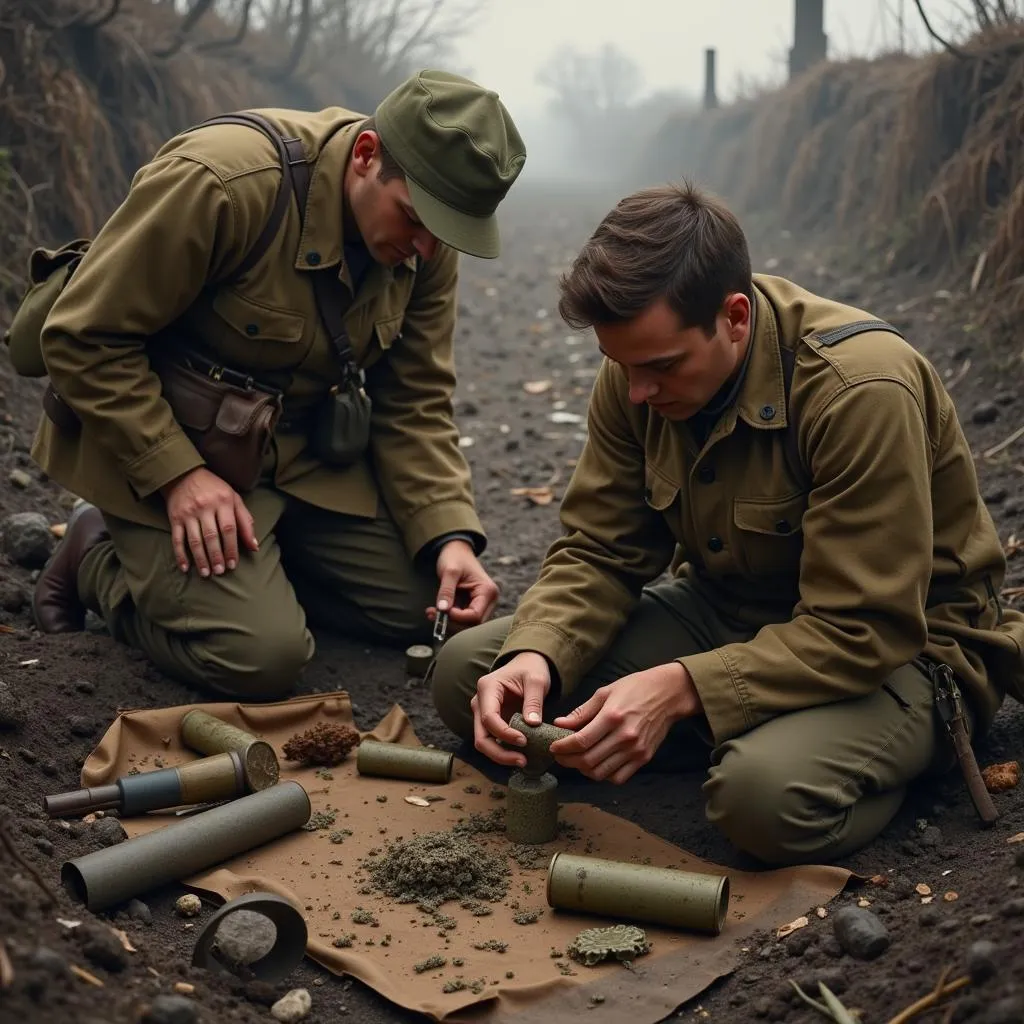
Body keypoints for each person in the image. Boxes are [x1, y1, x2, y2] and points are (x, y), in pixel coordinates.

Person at [431, 181, 1024, 867]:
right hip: (726, 612)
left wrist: (684, 687)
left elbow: (866, 627)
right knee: (472, 676)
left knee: (761, 801)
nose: (639, 393)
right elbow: (600, 549)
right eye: (619, 366)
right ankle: (732, 727)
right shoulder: (636, 371)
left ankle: (887, 751)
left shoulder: (859, 390)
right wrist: (538, 651)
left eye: (661, 366)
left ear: (735, 317)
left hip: (900, 649)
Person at [30, 69, 527, 699]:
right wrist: (177, 474)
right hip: (170, 443)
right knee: (261, 660)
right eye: (415, 220)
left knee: (430, 611)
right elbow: (82, 336)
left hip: (302, 461)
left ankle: (257, 574)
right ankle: (95, 557)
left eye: (446, 233)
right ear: (367, 156)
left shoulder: (429, 235)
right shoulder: (223, 184)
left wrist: (449, 535)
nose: (426, 250)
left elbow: (416, 399)